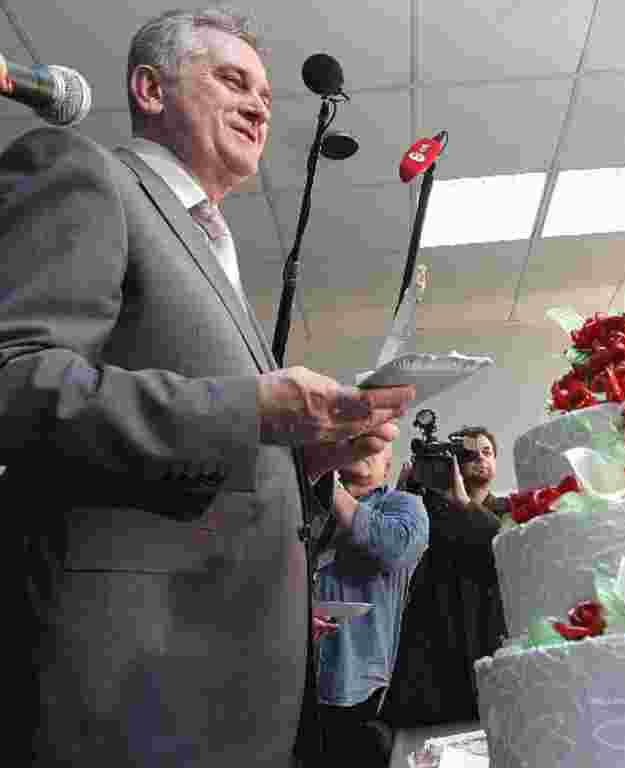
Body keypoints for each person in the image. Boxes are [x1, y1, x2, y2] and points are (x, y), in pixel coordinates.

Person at [0, 7, 414, 765]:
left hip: (236, 688)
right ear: (150, 88)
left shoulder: (212, 246)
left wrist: (306, 461)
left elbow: (220, 461)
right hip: (125, 687)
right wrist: (253, 409)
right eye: (232, 80)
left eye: (266, 94)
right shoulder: (82, 172)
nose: (260, 106)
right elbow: (17, 379)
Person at [382, 427, 507, 728]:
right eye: (470, 454)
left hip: (488, 639)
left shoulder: (509, 511)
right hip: (434, 651)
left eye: (487, 452)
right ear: (454, 464)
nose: (480, 458)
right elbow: (391, 549)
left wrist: (464, 503)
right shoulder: (428, 512)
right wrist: (401, 498)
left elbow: (503, 546)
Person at [316, 443, 428, 767]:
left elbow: (396, 547)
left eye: (376, 446)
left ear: (389, 465)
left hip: (357, 688)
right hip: (288, 678)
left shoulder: (403, 505)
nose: (365, 446)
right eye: (357, 440)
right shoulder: (306, 505)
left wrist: (329, 486)